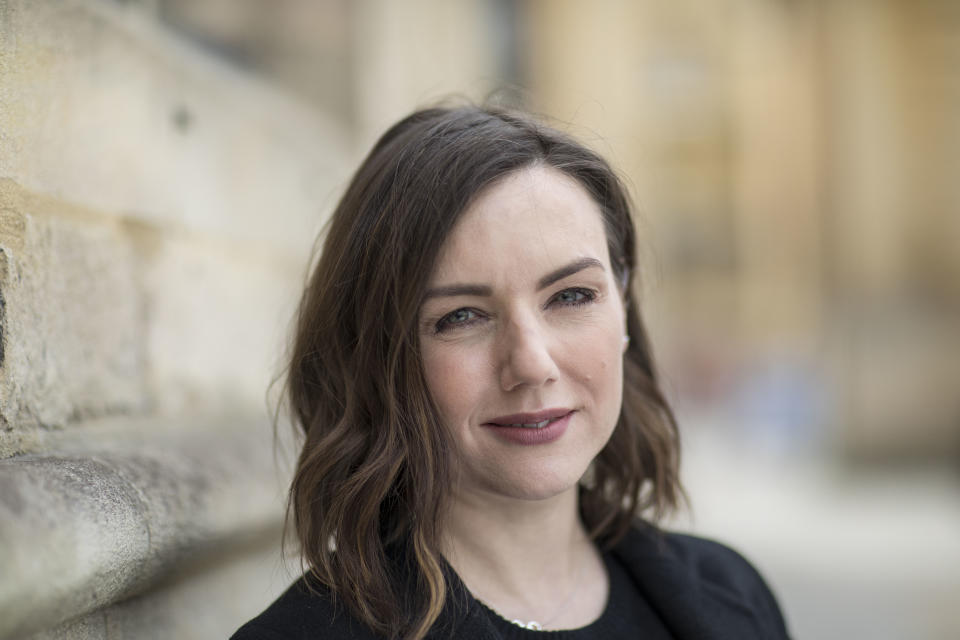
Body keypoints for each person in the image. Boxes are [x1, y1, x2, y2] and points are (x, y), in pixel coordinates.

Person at [231, 104, 790, 640]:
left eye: (571, 295)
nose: (531, 364)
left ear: (623, 306)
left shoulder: (731, 593)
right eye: (462, 316)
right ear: (379, 356)